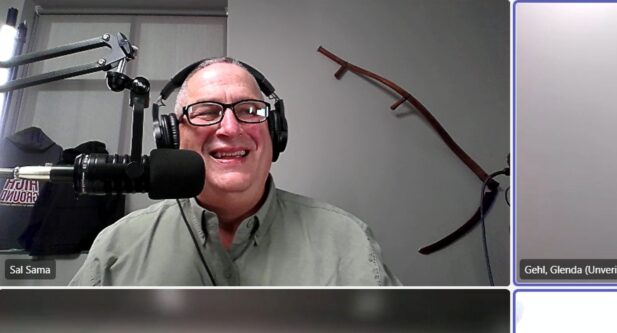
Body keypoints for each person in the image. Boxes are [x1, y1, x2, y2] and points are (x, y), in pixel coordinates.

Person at [70, 57, 398, 286]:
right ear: (172, 136)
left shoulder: (348, 240)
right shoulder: (117, 246)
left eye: (249, 110)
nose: (230, 128)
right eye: (206, 112)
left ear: (275, 131)